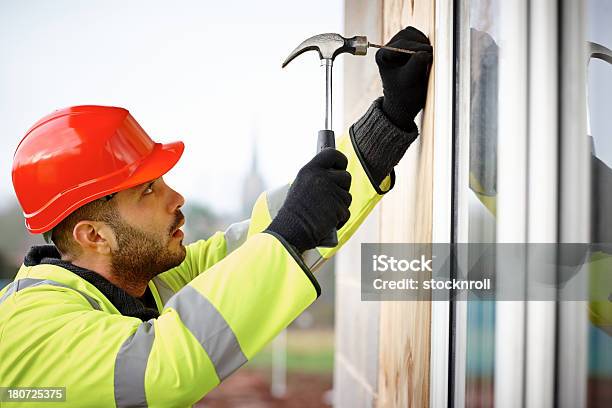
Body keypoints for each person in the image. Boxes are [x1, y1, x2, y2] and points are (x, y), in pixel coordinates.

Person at [0, 27, 432, 406]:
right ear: (94, 235)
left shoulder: (141, 280)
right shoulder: (28, 330)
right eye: (148, 190)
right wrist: (290, 231)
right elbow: (160, 368)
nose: (176, 197)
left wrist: (385, 126)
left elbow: (258, 245)